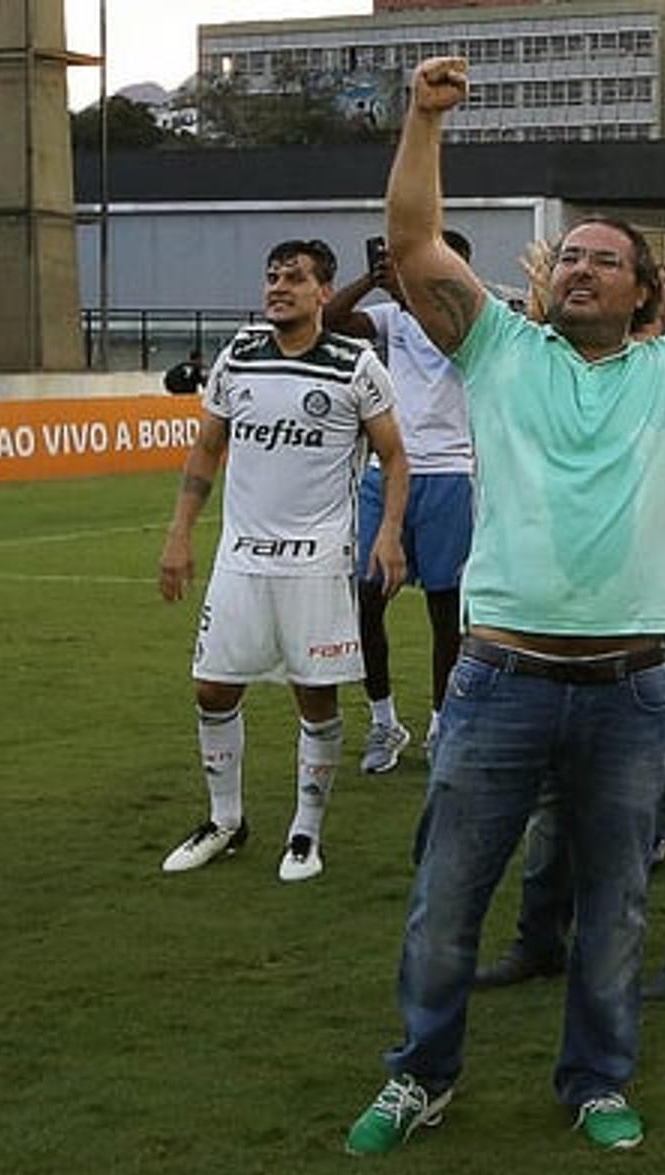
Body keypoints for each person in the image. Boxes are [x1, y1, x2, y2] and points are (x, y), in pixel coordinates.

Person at [343, 57, 665, 1157]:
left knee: (615, 905)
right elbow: (415, 244)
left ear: (642, 289)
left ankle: (597, 1080)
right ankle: (420, 1074)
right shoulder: (499, 350)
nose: (577, 269)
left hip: (629, 688)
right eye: (569, 254)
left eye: (603, 261)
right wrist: (423, 119)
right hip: (498, 682)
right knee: (445, 898)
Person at [473, 277, 665, 1003]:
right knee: (553, 791)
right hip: (577, 621)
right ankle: (538, 936)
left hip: (661, 617)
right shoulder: (605, 379)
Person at [157, 238, 408, 884]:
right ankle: (225, 819)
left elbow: (395, 455)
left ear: (324, 291)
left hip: (317, 561)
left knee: (314, 695)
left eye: (294, 278)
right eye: (272, 277)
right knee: (212, 686)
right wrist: (179, 534)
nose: (278, 287)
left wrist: (389, 533)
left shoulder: (355, 363)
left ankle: (305, 831)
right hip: (240, 557)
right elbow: (206, 450)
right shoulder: (238, 354)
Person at [322, 229, 478, 772]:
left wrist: (409, 293)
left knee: (445, 608)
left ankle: (441, 723)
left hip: (450, 474)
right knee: (365, 599)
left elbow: (450, 334)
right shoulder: (394, 319)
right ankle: (384, 721)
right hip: (386, 472)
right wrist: (376, 277)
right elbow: (332, 321)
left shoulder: (473, 322)